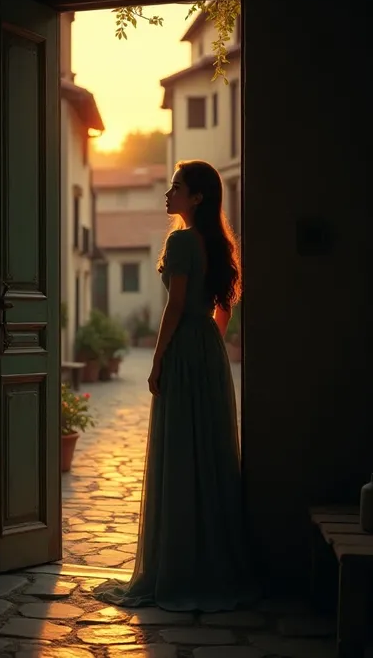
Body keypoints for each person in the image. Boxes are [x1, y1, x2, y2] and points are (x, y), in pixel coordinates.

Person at [94, 160, 259, 611]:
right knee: (208, 449)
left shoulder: (183, 239)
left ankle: (177, 564)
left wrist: (159, 357)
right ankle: (208, 562)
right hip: (208, 350)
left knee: (180, 451)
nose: (168, 194)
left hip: (186, 348)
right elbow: (223, 308)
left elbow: (176, 304)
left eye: (176, 187)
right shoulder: (218, 242)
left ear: (197, 196)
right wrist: (209, 342)